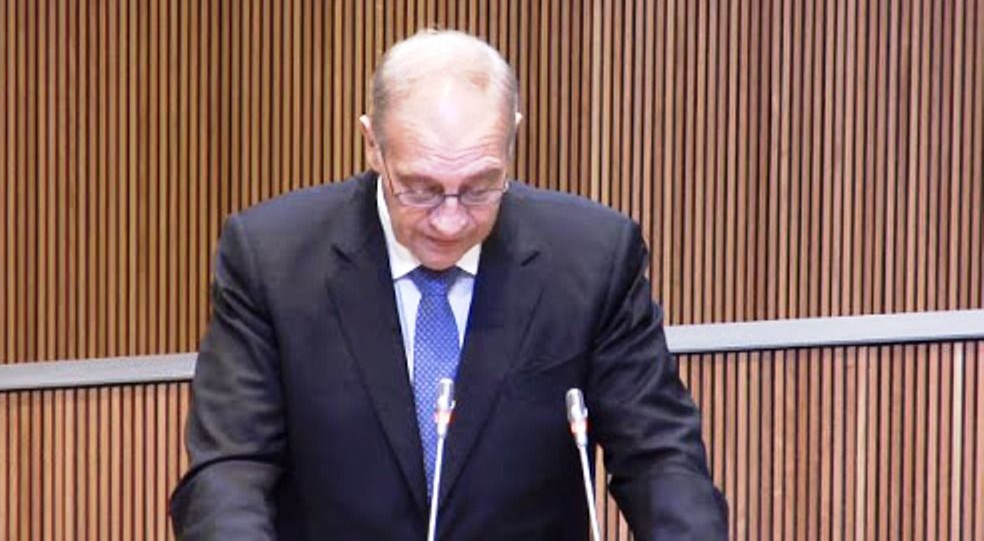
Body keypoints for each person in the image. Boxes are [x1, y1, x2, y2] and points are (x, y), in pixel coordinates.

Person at [170, 29, 728, 540]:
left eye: (480, 187)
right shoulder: (273, 259)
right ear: (372, 145)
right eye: (421, 189)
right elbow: (231, 470)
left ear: (512, 139)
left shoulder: (591, 257)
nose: (450, 220)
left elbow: (660, 459)